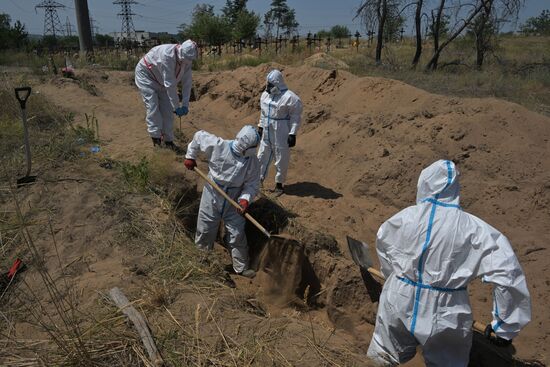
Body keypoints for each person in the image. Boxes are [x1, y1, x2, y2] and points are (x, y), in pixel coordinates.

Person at [367, 160, 531, 366]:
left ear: (423, 184)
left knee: (382, 356)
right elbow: (508, 274)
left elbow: (384, 248)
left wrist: (393, 278)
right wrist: (505, 327)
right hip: (445, 312)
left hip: (398, 297)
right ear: (455, 188)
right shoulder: (475, 229)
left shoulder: (402, 218)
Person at [183, 125, 261, 278]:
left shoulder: (252, 162)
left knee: (237, 233)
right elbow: (199, 136)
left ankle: (241, 267)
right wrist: (190, 156)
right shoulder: (219, 145)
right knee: (205, 230)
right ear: (246, 146)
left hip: (234, 199)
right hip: (212, 193)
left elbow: (252, 185)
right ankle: (202, 263)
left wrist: (244, 200)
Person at [135, 40, 197, 150]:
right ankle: (156, 139)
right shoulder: (167, 56)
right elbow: (170, 85)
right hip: (147, 76)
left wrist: (185, 105)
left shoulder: (187, 60)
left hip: (161, 80)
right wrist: (177, 107)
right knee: (153, 106)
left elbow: (187, 83)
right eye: (184, 59)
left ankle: (169, 141)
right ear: (180, 51)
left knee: (167, 110)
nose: (186, 62)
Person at [257, 69, 303, 196]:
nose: (268, 87)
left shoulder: (290, 98)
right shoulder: (265, 95)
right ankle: (257, 180)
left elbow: (295, 117)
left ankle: (279, 184)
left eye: (270, 85)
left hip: (281, 130)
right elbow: (263, 112)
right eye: (268, 84)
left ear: (277, 83)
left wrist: (292, 133)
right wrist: (260, 126)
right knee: (262, 155)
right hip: (267, 129)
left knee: (281, 157)